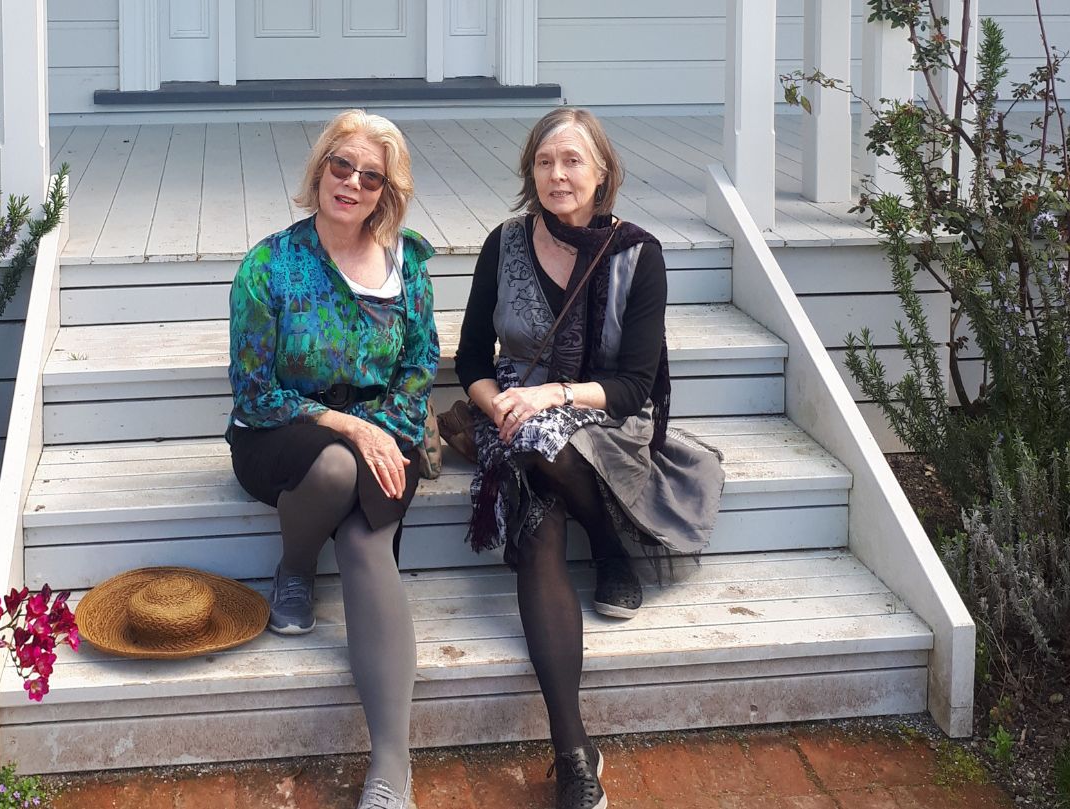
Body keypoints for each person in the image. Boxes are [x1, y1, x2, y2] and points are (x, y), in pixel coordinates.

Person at [453, 107, 724, 809]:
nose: (557, 175)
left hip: (604, 415)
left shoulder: (638, 254)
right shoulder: (504, 243)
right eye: (544, 162)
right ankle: (574, 752)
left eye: (572, 160)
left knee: (543, 456)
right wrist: (497, 405)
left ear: (602, 172)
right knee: (538, 514)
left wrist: (553, 394)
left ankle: (604, 537)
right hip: (513, 414)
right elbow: (472, 360)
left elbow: (635, 385)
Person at [228, 108, 438, 809]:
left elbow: (419, 369)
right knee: (336, 466)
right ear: (319, 170)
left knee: (364, 537)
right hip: (282, 430)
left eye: (370, 177)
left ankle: (391, 768)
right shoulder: (268, 266)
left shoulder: (407, 264)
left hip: (387, 428)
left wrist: (381, 431)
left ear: (386, 192)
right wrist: (346, 426)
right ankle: (294, 566)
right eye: (340, 166)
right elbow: (254, 391)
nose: (351, 183)